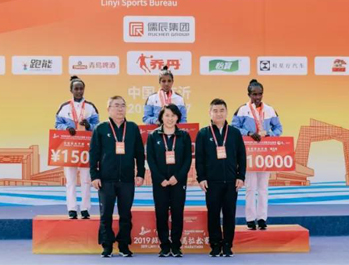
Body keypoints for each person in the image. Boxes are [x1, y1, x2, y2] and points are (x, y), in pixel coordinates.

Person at [90, 96, 145, 258]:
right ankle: (107, 245)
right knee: (105, 214)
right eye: (116, 106)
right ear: (108, 109)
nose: (120, 109)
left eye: (122, 105)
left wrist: (140, 173)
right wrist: (94, 176)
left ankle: (124, 244)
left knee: (125, 214)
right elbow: (94, 154)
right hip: (106, 180)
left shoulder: (133, 128)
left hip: (127, 179)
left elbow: (139, 153)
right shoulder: (101, 129)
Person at [195, 98, 246, 258]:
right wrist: (201, 178)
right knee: (213, 214)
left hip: (231, 182)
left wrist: (241, 176)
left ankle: (228, 245)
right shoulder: (203, 133)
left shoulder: (235, 133)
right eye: (215, 111)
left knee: (230, 214)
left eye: (222, 110)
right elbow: (199, 158)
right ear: (210, 113)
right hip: (212, 182)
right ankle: (215, 245)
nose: (219, 114)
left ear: (227, 112)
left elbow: (242, 156)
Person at [232, 79, 283, 231]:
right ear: (249, 94)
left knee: (263, 188)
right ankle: (250, 219)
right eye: (254, 94)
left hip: (265, 154)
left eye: (260, 94)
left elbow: (279, 128)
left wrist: (269, 134)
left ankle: (262, 218)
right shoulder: (242, 110)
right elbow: (234, 128)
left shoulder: (270, 110)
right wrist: (248, 133)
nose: (257, 97)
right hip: (248, 153)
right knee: (250, 188)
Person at [146, 104, 192, 258]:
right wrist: (161, 179)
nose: (170, 119)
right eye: (167, 115)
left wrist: (177, 177)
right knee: (161, 213)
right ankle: (164, 245)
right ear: (161, 117)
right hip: (160, 183)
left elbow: (187, 160)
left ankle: (176, 245)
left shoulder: (184, 136)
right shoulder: (153, 136)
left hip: (178, 182)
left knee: (178, 213)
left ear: (178, 117)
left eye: (173, 115)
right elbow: (150, 160)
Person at [55, 76, 99, 220]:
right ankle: (72, 209)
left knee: (86, 180)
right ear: (71, 90)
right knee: (70, 181)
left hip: (86, 148)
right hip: (69, 148)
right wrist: (66, 128)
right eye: (76, 89)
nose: (79, 91)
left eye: (81, 88)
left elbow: (97, 126)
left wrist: (89, 126)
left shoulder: (90, 107)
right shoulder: (64, 107)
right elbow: (57, 124)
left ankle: (85, 209)